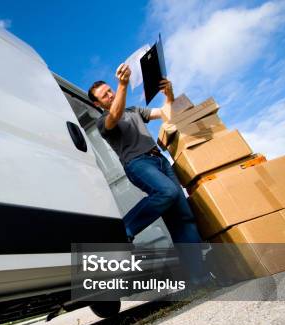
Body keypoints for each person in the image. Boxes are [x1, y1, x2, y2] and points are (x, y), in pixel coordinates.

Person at [88, 63, 211, 287]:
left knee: (184, 218)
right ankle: (123, 231)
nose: (110, 94)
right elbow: (114, 114)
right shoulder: (103, 122)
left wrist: (169, 94)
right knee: (167, 191)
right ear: (98, 104)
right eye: (105, 95)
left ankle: (199, 278)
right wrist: (123, 85)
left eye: (110, 90)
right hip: (138, 163)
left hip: (160, 161)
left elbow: (165, 113)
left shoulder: (134, 111)